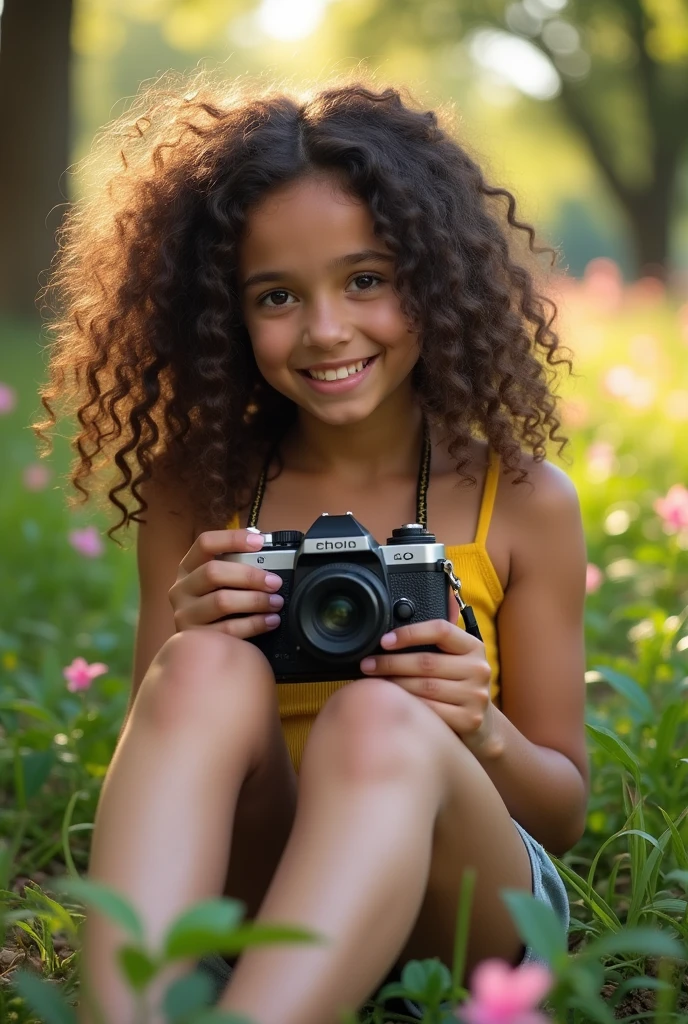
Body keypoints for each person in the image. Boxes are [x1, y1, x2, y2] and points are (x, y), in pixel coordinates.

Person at [35, 73, 589, 1024]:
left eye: (366, 279)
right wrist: (191, 637)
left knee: (376, 722)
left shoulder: (521, 498)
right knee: (203, 668)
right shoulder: (199, 494)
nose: (328, 329)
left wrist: (480, 728)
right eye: (277, 295)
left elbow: (562, 815)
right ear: (222, 314)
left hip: (457, 901)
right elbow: (164, 784)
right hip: (264, 878)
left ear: (433, 275)